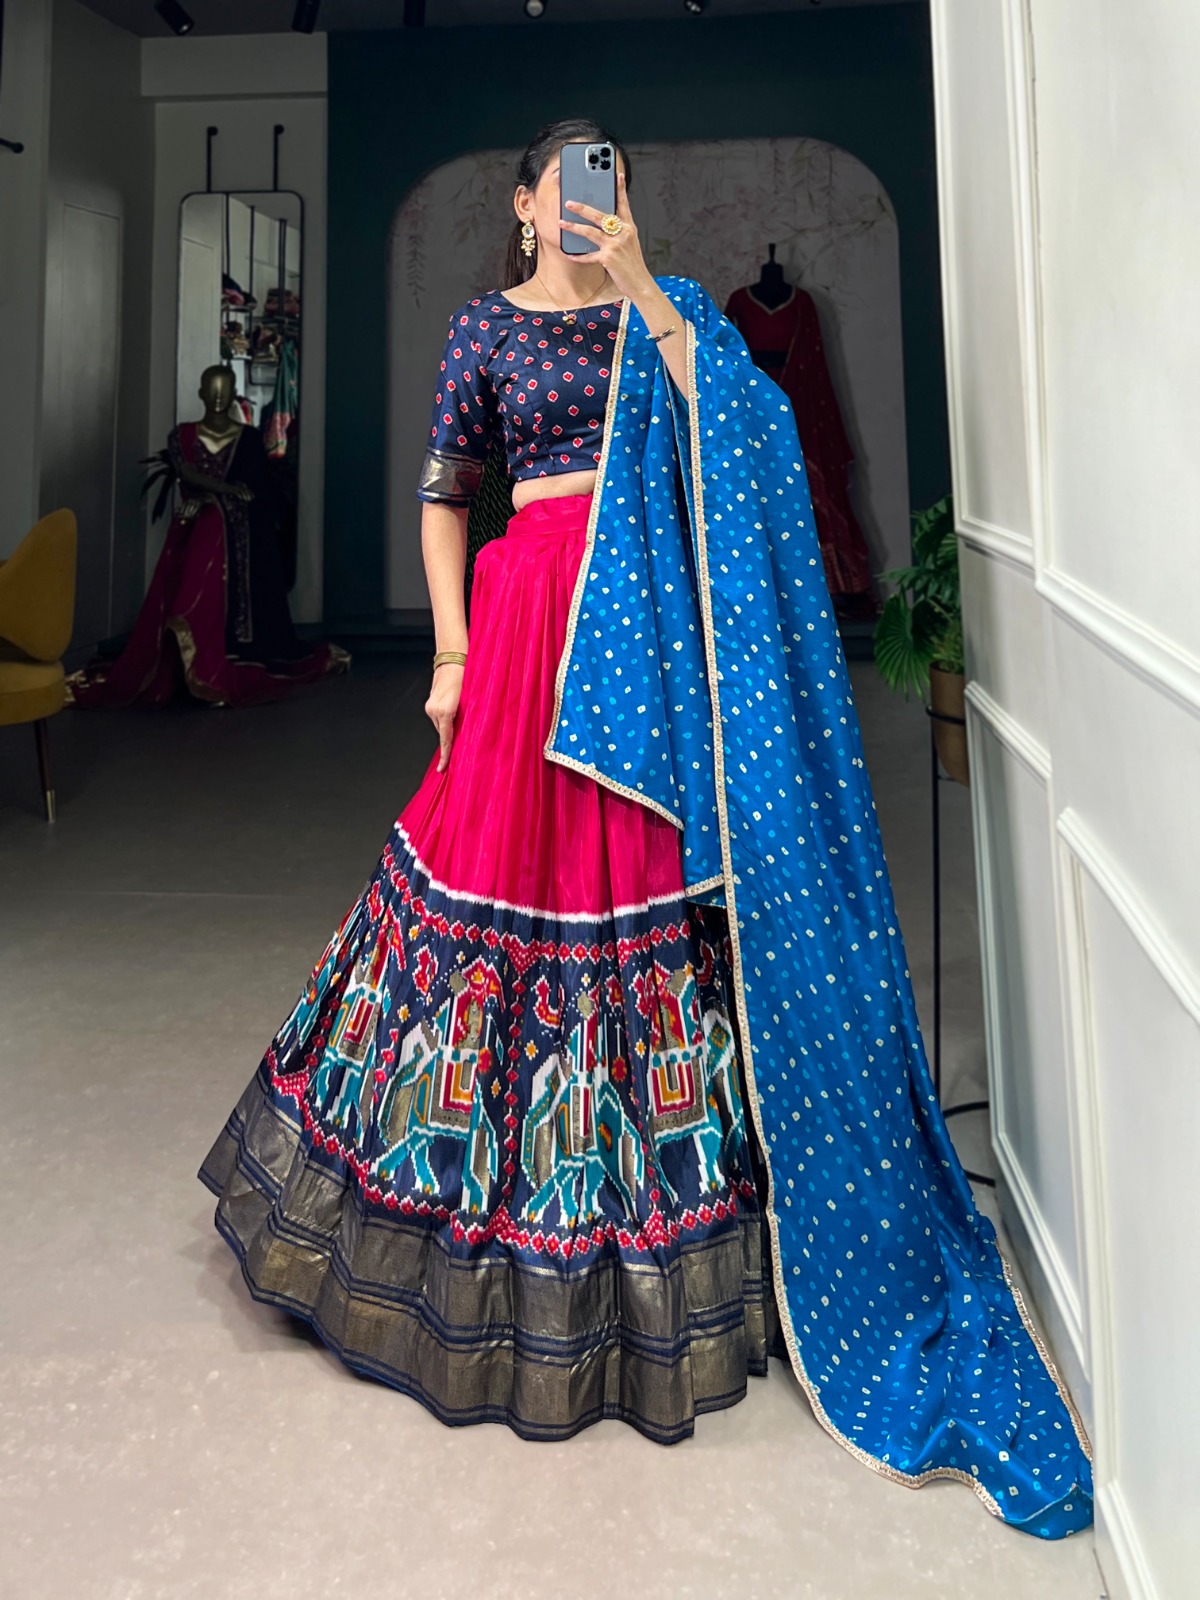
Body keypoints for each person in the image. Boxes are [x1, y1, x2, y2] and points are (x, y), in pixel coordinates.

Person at [200, 121, 1092, 1539]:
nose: (585, 202)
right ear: (522, 202)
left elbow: (750, 440)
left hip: (640, 645)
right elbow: (444, 499)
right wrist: (449, 654)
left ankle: (659, 1250)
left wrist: (644, 285)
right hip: (524, 633)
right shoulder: (484, 328)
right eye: (564, 183)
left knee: (643, 901)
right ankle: (458, 1225)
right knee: (483, 889)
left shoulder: (659, 317)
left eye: (607, 181)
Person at [68, 366, 348, 708]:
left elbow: (255, 492)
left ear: (233, 393)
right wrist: (221, 493)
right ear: (201, 392)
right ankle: (187, 648)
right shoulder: (183, 437)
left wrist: (217, 500)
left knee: (214, 525)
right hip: (195, 526)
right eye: (212, 389)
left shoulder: (247, 439)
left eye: (224, 389)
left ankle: (213, 649)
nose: (218, 396)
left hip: (236, 532)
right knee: (206, 529)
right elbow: (188, 474)